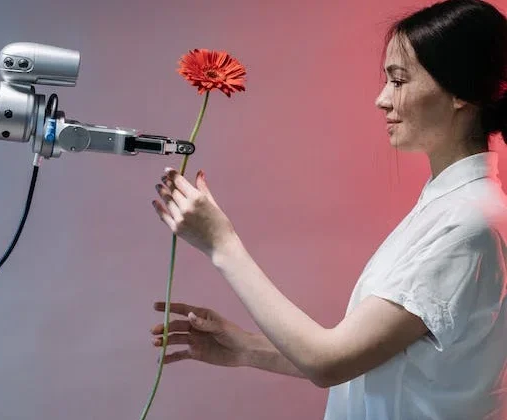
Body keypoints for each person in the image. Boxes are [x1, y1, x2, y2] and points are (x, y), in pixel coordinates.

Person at [150, 0, 507, 418]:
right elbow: (368, 358)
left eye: (398, 80)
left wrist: (221, 244)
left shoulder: (469, 224)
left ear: (459, 92)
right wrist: (245, 347)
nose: (381, 99)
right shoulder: (449, 207)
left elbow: (329, 361)